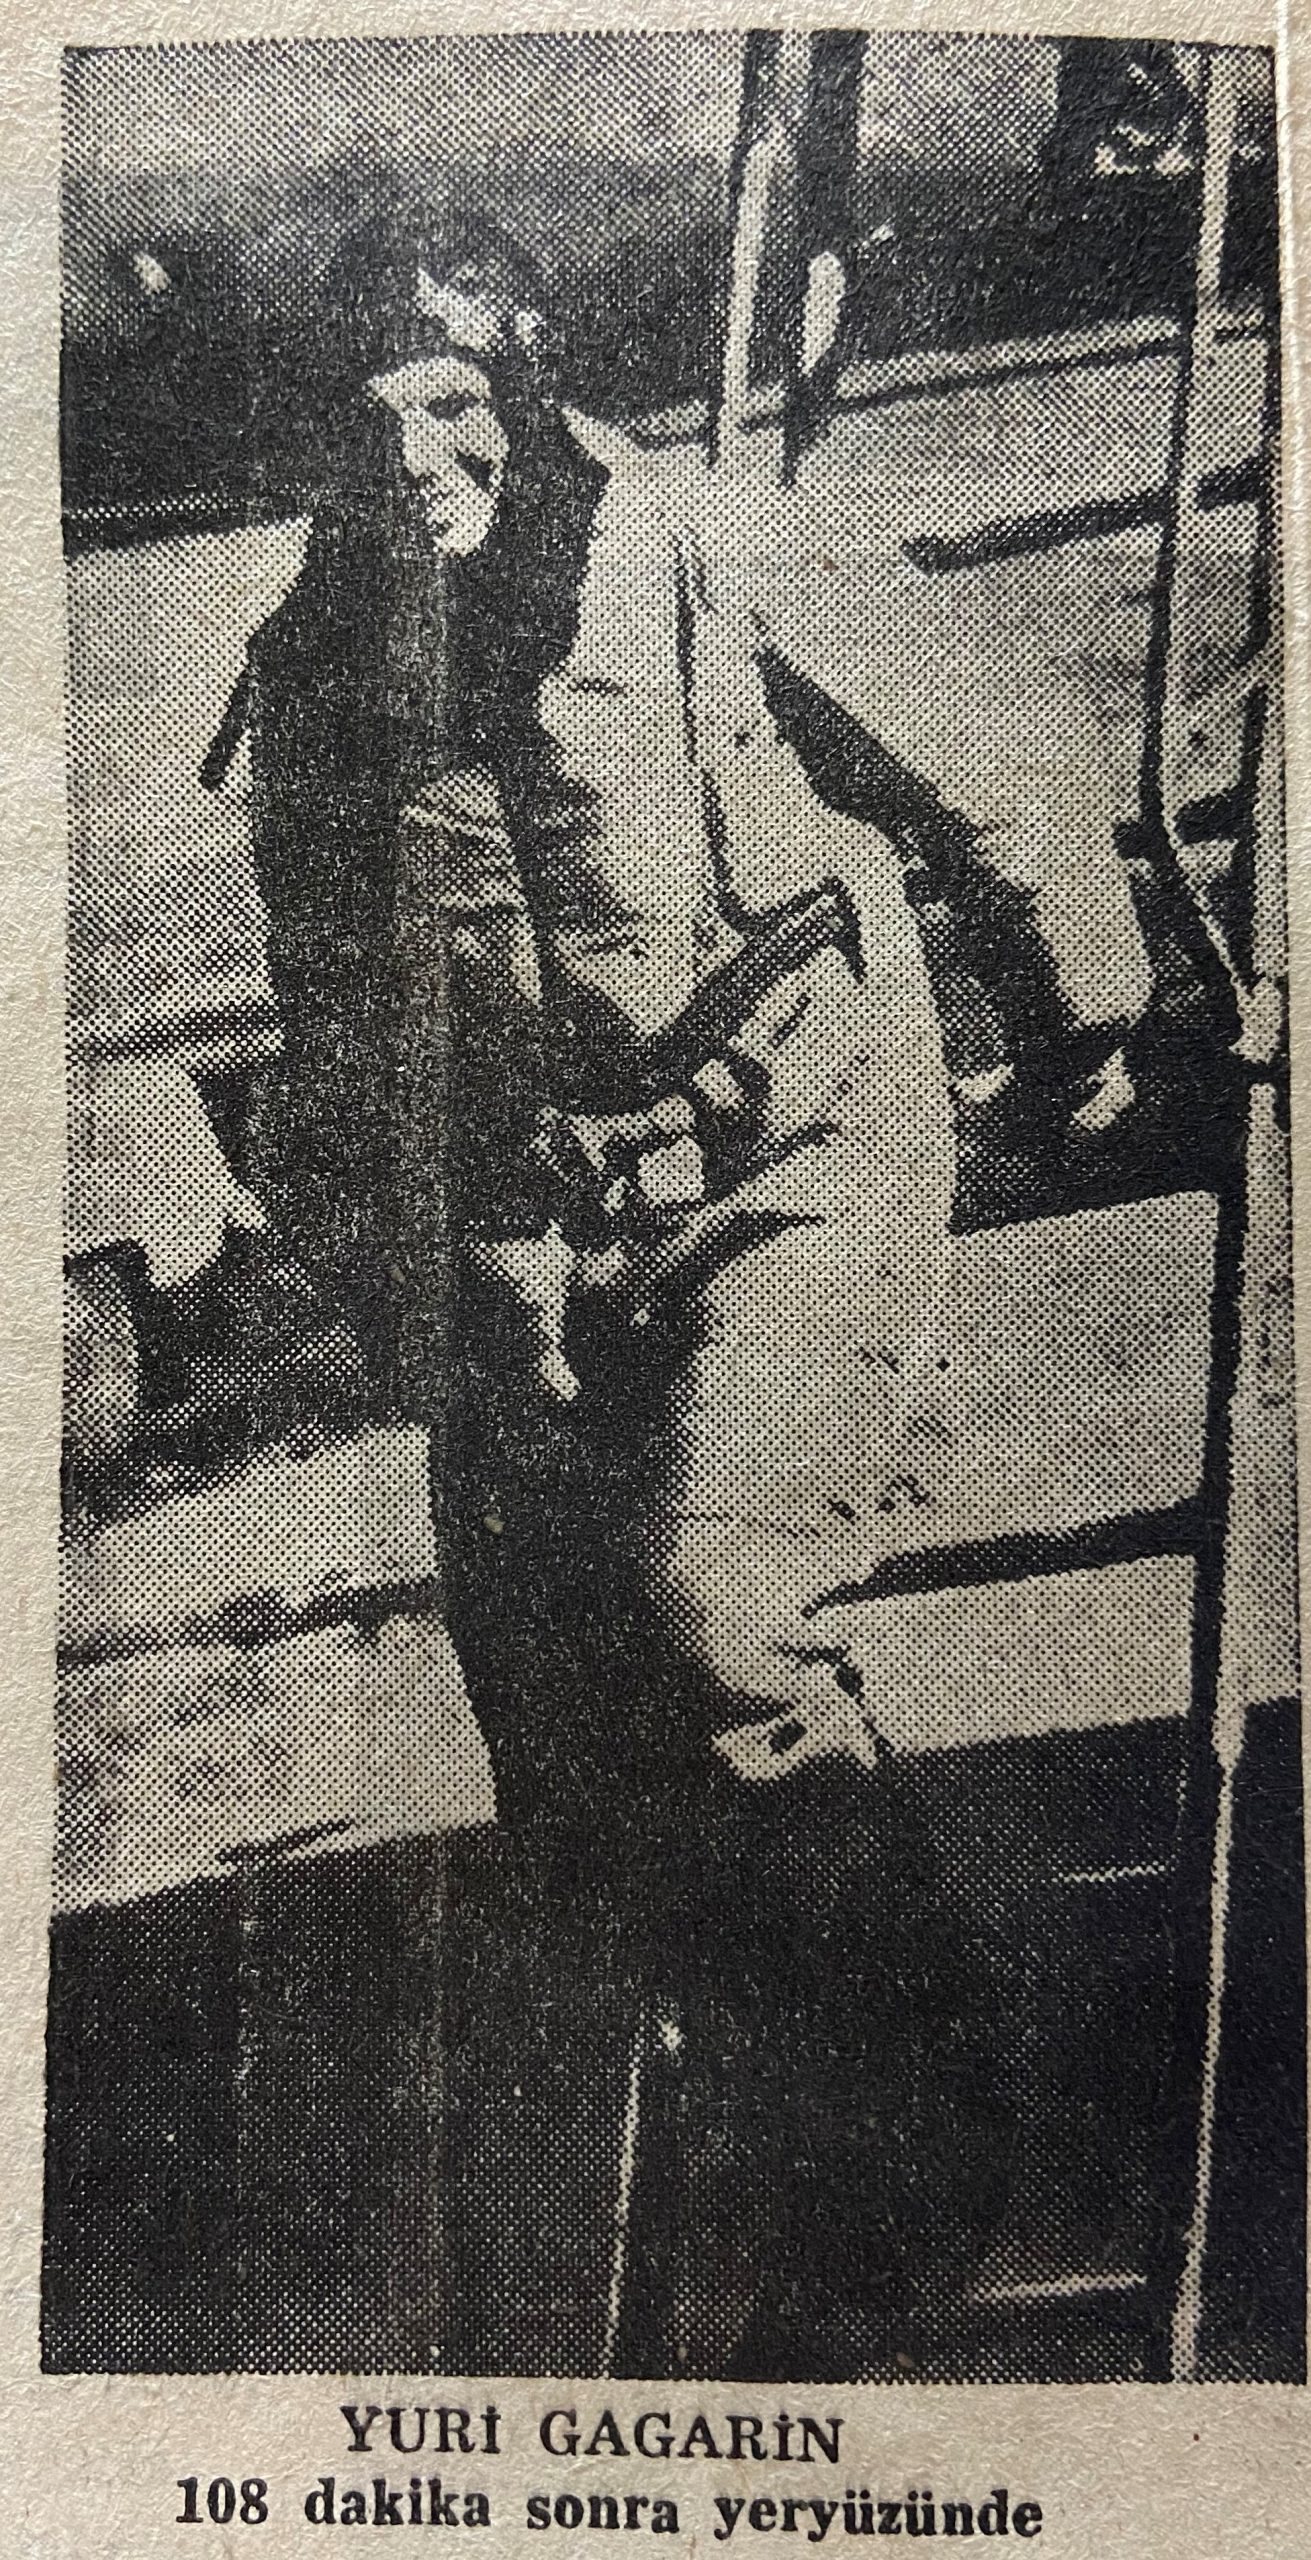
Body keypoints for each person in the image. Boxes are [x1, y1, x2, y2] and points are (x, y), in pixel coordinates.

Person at [210, 201, 1012, 2377]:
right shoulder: (314, 670)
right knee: (553, 1716)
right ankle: (769, 2109)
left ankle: (923, 2151)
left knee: (714, 1614)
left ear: (529, 384)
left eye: (450, 399)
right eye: (363, 422)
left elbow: (975, 746)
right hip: (535, 1232)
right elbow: (334, 1021)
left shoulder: (694, 539)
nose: (413, 460)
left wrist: (1101, 1005)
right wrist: (445, 1269)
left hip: (802, 1144)